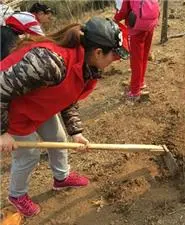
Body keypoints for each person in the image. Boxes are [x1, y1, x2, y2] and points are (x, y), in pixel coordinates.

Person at [0, 17, 128, 217]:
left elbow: (67, 96)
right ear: (98, 52)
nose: (115, 61)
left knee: (58, 138)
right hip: (9, 110)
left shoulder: (86, 65)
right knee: (29, 154)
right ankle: (16, 195)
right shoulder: (49, 62)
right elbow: (1, 88)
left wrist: (76, 132)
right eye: (114, 55)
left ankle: (61, 177)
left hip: (36, 103)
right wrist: (3, 132)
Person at [114, 0, 159, 100]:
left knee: (136, 60)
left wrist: (115, 19)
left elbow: (123, 11)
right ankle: (141, 82)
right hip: (149, 26)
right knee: (144, 56)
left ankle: (135, 91)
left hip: (136, 30)